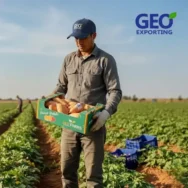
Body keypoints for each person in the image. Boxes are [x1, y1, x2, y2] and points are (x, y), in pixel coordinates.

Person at [52, 18, 122, 188]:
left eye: (83, 38)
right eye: (76, 38)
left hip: (93, 125)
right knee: (67, 172)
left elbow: (115, 91)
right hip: (69, 124)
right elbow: (61, 87)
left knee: (93, 177)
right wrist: (50, 100)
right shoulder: (68, 59)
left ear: (94, 36)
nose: (79, 42)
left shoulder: (105, 60)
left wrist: (105, 113)